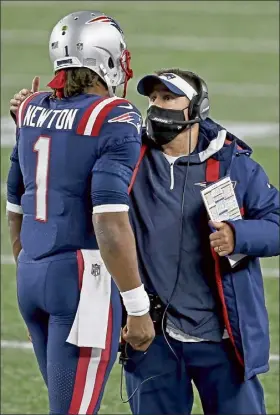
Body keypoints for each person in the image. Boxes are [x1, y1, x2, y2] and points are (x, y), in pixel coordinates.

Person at [10, 70, 280, 414]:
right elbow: (62, 162)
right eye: (152, 99)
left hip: (222, 338)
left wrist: (239, 235)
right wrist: (32, 117)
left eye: (168, 99)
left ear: (197, 107)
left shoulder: (234, 164)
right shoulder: (128, 154)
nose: (157, 107)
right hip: (153, 335)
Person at [6, 10, 154, 415]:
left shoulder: (32, 107)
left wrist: (28, 259)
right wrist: (138, 307)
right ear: (105, 57)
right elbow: (108, 218)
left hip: (32, 275)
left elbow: (15, 198)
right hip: (81, 279)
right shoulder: (115, 115)